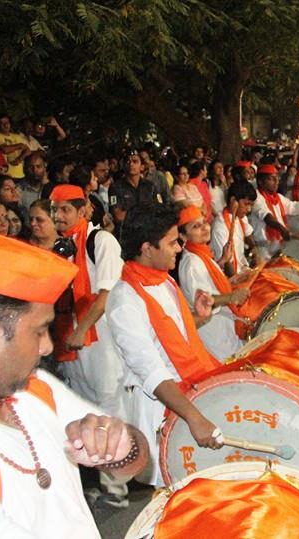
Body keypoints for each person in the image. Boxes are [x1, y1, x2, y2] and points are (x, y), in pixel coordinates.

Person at [0, 231, 148, 537]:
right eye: (39, 331)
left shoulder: (32, 388)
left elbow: (136, 461)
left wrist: (120, 445)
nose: (48, 346)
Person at [106, 204, 225, 487]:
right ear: (147, 248)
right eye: (172, 242)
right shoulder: (125, 299)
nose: (179, 248)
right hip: (164, 408)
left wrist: (197, 317)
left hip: (192, 397)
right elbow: (150, 370)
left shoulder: (164, 281)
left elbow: (173, 338)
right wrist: (194, 418)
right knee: (174, 491)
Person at [48, 184, 131, 507]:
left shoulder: (101, 242)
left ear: (83, 211)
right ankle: (94, 480)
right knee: (82, 408)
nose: (58, 216)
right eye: (55, 210)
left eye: (65, 210)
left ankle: (118, 487)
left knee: (109, 407)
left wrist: (82, 330)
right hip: (71, 339)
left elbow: (105, 295)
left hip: (99, 341)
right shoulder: (61, 246)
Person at [177, 206, 251, 360]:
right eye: (196, 226)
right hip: (213, 329)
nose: (204, 228)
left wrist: (230, 280)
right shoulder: (192, 263)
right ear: (183, 236)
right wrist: (231, 297)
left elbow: (208, 286)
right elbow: (203, 300)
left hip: (222, 323)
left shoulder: (201, 253)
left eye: (204, 222)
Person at [251, 164, 299, 261]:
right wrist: (282, 229)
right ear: (260, 182)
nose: (276, 182)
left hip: (278, 246)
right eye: (271, 179)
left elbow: (292, 207)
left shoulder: (278, 197)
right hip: (264, 249)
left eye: (277, 178)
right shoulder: (256, 197)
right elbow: (267, 216)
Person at [211, 180, 257, 277]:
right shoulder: (220, 226)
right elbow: (228, 266)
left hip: (243, 270)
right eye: (246, 204)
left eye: (251, 205)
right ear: (233, 201)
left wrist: (254, 248)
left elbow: (249, 236)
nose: (249, 209)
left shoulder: (241, 217)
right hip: (231, 279)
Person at [0, 114, 31, 179]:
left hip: (20, 174)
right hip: (6, 174)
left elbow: (28, 150)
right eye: (2, 123)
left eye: (7, 122)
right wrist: (19, 146)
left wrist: (19, 159)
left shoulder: (17, 136)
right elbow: (5, 150)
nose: (5, 125)